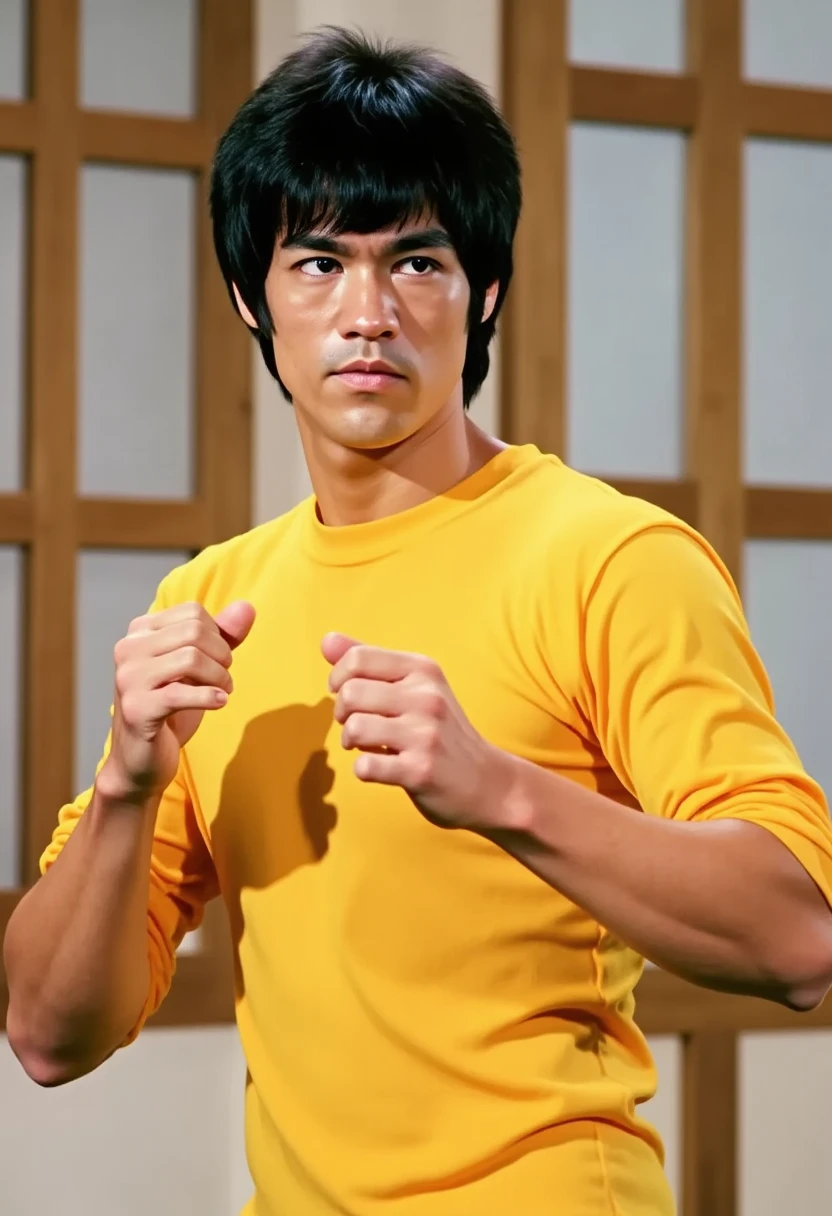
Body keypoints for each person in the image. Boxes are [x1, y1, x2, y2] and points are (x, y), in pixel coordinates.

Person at [5, 26, 832, 1216]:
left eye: (419, 263)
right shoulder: (209, 602)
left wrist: (500, 789)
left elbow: (797, 938)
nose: (369, 313)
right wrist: (132, 787)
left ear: (483, 289)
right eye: (319, 264)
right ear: (253, 297)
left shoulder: (612, 558)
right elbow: (45, 1034)